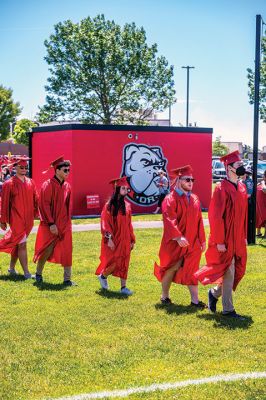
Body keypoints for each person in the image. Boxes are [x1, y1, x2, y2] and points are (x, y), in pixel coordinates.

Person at [195, 151, 248, 318]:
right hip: (224, 238)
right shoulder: (220, 188)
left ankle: (214, 293)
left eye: (241, 165)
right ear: (229, 168)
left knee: (233, 270)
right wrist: (219, 240)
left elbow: (244, 214)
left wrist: (244, 235)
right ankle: (228, 309)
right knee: (229, 270)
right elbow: (215, 216)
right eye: (238, 165)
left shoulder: (241, 187)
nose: (242, 167)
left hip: (238, 237)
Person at [154, 165, 206, 307]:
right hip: (175, 242)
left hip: (193, 242)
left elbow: (199, 221)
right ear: (178, 180)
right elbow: (169, 219)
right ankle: (165, 296)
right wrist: (178, 237)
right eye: (187, 179)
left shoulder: (194, 198)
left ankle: (195, 301)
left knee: (192, 269)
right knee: (172, 268)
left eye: (192, 180)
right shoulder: (170, 199)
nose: (191, 182)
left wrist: (202, 240)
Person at [34, 156, 75, 286]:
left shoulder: (67, 186)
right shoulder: (48, 185)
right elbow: (44, 205)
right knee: (47, 249)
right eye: (65, 170)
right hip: (51, 224)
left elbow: (68, 206)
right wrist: (51, 223)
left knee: (68, 250)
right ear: (57, 170)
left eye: (69, 170)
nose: (67, 172)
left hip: (65, 224)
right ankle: (38, 274)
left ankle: (67, 279)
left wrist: (67, 223)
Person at [95, 176, 136, 295]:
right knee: (115, 262)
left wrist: (132, 239)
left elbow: (129, 224)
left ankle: (123, 288)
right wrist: (109, 238)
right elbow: (105, 223)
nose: (126, 191)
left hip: (125, 239)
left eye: (127, 189)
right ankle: (103, 276)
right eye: (123, 188)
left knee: (125, 261)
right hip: (114, 239)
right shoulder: (109, 206)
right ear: (117, 189)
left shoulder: (127, 206)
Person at [0, 155, 38, 279]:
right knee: (22, 244)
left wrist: (37, 212)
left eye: (25, 167)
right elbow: (4, 203)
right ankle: (26, 273)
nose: (23, 169)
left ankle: (11, 268)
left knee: (17, 243)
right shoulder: (9, 184)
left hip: (28, 219)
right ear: (15, 167)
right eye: (21, 167)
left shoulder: (31, 182)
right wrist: (3, 220)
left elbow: (36, 199)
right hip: (16, 218)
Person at [241, 167, 254, 244]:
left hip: (247, 203)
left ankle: (249, 238)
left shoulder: (248, 182)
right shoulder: (243, 181)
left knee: (247, 221)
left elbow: (248, 195)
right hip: (243, 203)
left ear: (245, 174)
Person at [256, 170, 266, 238]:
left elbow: (265, 190)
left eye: (264, 176)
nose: (263, 177)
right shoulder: (261, 183)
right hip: (259, 205)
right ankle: (258, 233)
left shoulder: (263, 184)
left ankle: (265, 235)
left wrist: (262, 183)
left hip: (264, 205)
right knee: (258, 217)